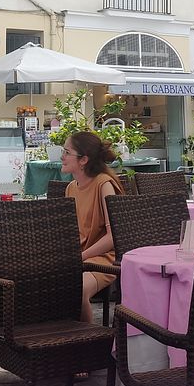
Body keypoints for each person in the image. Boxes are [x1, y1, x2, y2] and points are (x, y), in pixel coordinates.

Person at [63, 131, 123, 324]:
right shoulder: (71, 188)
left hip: (105, 258)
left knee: (77, 290)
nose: (62, 157)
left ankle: (88, 340)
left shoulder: (103, 184)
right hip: (80, 255)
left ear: (84, 160)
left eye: (67, 152)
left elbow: (113, 237)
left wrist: (81, 256)